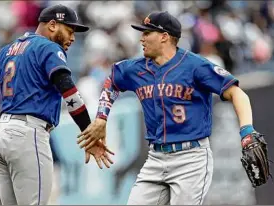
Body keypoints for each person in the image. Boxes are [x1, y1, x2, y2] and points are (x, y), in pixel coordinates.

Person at [77, 11, 263, 205]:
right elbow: (112, 81)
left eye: (147, 33)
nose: (142, 38)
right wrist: (101, 118)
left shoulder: (195, 66)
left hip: (191, 158)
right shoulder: (136, 68)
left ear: (164, 36)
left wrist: (247, 131)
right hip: (155, 158)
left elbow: (237, 94)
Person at [0, 4, 113, 205]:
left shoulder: (8, 49)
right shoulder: (48, 47)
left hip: (1, 134)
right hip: (28, 134)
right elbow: (69, 93)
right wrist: (88, 132)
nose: (73, 38)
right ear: (52, 25)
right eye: (70, 30)